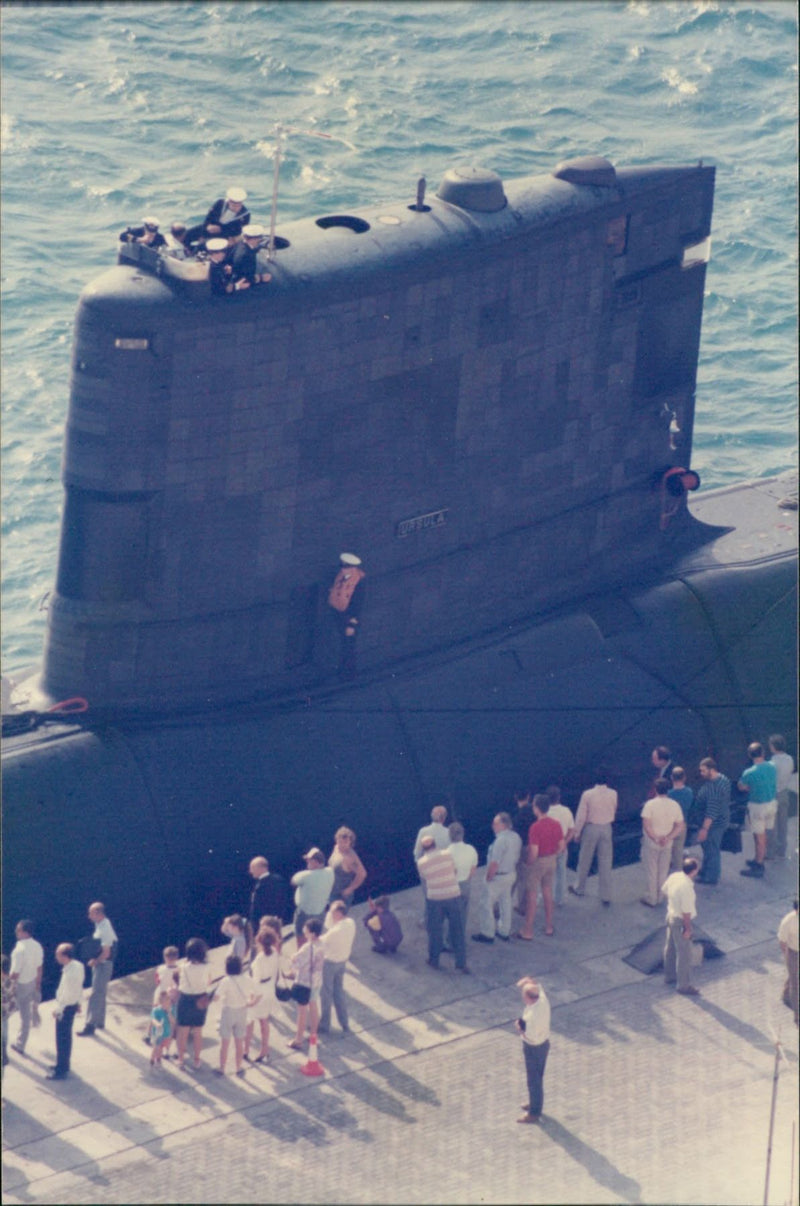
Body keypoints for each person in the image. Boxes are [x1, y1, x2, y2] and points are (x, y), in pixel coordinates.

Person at [417, 836, 469, 972]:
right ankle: (461, 963)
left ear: (423, 849)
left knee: (435, 931)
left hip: (435, 898)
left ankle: (434, 960)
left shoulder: (421, 862)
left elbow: (424, 877)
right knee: (458, 930)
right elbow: (455, 870)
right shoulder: (447, 854)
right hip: (453, 895)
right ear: (435, 844)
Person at [516, 795, 565, 939]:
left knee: (532, 895)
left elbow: (534, 852)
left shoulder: (535, 827)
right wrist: (552, 854)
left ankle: (528, 930)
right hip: (551, 860)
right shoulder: (556, 824)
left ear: (536, 808)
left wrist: (528, 862)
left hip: (538, 862)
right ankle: (549, 926)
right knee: (547, 892)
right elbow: (561, 846)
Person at [569, 769, 617, 905]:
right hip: (607, 827)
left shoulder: (587, 795)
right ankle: (606, 895)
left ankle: (579, 887)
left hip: (591, 828)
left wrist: (577, 832)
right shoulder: (614, 793)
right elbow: (614, 808)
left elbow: (581, 815)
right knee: (606, 861)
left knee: (585, 858)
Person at [472, 812, 522, 944]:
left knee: (485, 904)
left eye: (496, 823)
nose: (493, 825)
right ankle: (504, 931)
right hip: (511, 874)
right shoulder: (516, 837)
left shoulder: (500, 841)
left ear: (503, 825)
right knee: (505, 902)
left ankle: (487, 933)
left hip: (498, 877)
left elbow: (494, 863)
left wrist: (488, 877)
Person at [639, 778, 685, 907]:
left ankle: (651, 897)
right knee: (663, 870)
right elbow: (679, 825)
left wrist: (656, 838)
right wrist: (669, 838)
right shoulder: (675, 805)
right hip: (667, 843)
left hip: (652, 843)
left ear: (655, 789)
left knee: (651, 870)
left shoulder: (650, 805)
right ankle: (660, 896)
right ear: (668, 790)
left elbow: (647, 826)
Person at [661, 857, 701, 996]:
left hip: (670, 915)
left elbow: (664, 890)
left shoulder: (674, 877)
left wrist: (673, 902)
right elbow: (686, 913)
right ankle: (683, 985)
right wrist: (687, 929)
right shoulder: (687, 889)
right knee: (684, 953)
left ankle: (669, 976)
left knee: (670, 947)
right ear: (694, 871)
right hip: (679, 921)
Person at [738, 742, 778, 879]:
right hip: (771, 803)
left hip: (758, 807)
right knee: (761, 834)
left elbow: (742, 786)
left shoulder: (749, 772)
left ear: (750, 755)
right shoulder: (772, 766)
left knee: (759, 836)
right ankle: (757, 859)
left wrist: (750, 787)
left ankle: (759, 865)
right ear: (763, 752)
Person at [78, 901, 118, 1035]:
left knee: (96, 994)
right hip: (102, 962)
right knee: (101, 992)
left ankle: (90, 1025)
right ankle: (100, 1021)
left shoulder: (104, 928)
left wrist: (95, 961)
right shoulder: (100, 923)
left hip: (104, 964)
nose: (88, 916)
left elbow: (106, 952)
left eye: (91, 913)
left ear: (98, 913)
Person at [515, 977, 550, 1124]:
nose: (522, 997)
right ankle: (534, 1102)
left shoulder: (532, 1018)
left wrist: (519, 1028)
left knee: (533, 1080)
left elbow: (530, 1036)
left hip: (533, 1048)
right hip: (544, 1044)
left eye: (524, 995)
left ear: (529, 998)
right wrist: (528, 981)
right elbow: (538, 986)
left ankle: (534, 1113)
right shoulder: (542, 1000)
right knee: (537, 1077)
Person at [319, 900, 357, 1035]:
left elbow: (320, 942)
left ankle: (324, 1025)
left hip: (329, 963)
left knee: (326, 994)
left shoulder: (334, 932)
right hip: (342, 962)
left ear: (339, 913)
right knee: (339, 993)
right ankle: (344, 1023)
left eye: (332, 912)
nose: (330, 915)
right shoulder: (351, 923)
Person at [48, 943, 85, 1080]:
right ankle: (63, 1064)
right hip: (72, 1006)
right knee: (66, 1037)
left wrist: (57, 1010)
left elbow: (66, 995)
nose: (56, 956)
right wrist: (79, 1002)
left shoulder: (70, 973)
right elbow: (80, 986)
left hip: (66, 1008)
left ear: (64, 956)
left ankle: (61, 1069)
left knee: (62, 1039)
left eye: (58, 953)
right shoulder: (78, 966)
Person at [176, 937, 213, 1071]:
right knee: (198, 1031)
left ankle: (180, 1059)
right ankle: (197, 1059)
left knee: (183, 1031)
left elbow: (180, 983)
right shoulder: (208, 966)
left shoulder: (184, 967)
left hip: (186, 999)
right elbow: (209, 982)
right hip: (201, 999)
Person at [288, 918, 325, 1050]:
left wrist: (292, 958)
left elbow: (296, 964)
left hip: (304, 983)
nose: (304, 931)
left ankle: (298, 1039)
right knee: (313, 1005)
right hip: (316, 981)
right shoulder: (321, 944)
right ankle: (313, 1034)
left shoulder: (307, 948)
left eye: (306, 930)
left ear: (312, 933)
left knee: (302, 1011)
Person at [215, 955, 254, 1077]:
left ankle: (222, 1067)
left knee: (225, 1042)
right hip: (242, 1011)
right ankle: (239, 1067)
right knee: (239, 1041)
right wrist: (250, 1002)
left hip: (228, 1011)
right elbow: (256, 992)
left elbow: (216, 997)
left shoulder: (226, 981)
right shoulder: (247, 979)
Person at [328, 552, 365, 679]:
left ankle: (348, 672)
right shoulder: (342, 576)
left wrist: (351, 624)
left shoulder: (359, 582)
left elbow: (357, 604)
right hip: (339, 613)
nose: (343, 569)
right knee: (344, 644)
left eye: (346, 567)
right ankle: (344, 670)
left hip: (349, 617)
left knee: (348, 645)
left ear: (353, 567)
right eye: (343, 566)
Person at [694, 757, 731, 885]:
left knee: (711, 850)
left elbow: (711, 811)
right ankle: (706, 870)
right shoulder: (723, 779)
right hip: (721, 821)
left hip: (712, 826)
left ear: (712, 770)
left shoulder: (713, 788)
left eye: (703, 771)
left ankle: (710, 877)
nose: (701, 773)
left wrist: (704, 829)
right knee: (710, 849)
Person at [9, 918, 43, 1055]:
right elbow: (39, 967)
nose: (16, 931)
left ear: (25, 932)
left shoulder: (19, 950)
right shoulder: (37, 946)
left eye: (18, 929)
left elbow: (15, 973)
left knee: (9, 1011)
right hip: (32, 982)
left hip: (20, 985)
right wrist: (37, 985)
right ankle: (20, 1044)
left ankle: (19, 1045)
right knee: (25, 1015)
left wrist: (8, 988)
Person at [245, 926, 278, 1063]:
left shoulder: (259, 959)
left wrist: (252, 999)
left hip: (259, 991)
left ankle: (245, 1049)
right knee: (264, 1021)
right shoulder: (275, 952)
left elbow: (255, 981)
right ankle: (264, 1049)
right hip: (269, 989)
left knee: (250, 1021)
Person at [291, 848, 335, 944]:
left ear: (315, 862)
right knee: (315, 937)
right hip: (320, 912)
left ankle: (302, 956)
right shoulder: (331, 872)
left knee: (301, 935)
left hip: (304, 913)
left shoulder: (304, 876)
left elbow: (293, 882)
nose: (307, 862)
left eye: (308, 860)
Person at [185, 185, 251, 247]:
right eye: (233, 203)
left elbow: (239, 231)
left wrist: (221, 230)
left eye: (238, 204)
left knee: (203, 244)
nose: (235, 206)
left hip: (225, 235)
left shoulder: (245, 214)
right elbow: (208, 218)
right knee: (188, 234)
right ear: (229, 201)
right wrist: (207, 228)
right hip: (210, 228)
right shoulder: (220, 203)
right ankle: (186, 249)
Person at [546, 786, 575, 907]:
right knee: (561, 872)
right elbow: (572, 830)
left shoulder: (545, 813)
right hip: (561, 845)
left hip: (547, 848)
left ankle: (547, 896)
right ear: (559, 797)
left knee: (546, 874)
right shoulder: (566, 811)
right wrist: (565, 843)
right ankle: (560, 898)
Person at [447, 821, 478, 932]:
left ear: (449, 835)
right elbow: (473, 869)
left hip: (452, 887)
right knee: (463, 913)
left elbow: (450, 872)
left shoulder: (447, 853)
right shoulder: (471, 849)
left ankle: (451, 942)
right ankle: (460, 936)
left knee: (451, 915)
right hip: (466, 884)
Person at [768, 735, 794, 861]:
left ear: (774, 746)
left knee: (772, 825)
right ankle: (782, 850)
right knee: (783, 823)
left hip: (773, 794)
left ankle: (770, 852)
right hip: (784, 792)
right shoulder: (789, 759)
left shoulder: (772, 762)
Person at [328, 826, 367, 904]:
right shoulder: (336, 848)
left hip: (341, 895)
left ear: (350, 842)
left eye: (346, 842)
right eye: (340, 841)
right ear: (337, 839)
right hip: (332, 891)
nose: (342, 844)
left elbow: (362, 874)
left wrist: (350, 889)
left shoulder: (349, 857)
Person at [249, 856, 290, 929]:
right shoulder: (259, 883)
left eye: (252, 868)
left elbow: (281, 900)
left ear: (261, 868)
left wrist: (277, 918)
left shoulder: (276, 881)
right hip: (261, 924)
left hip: (270, 924)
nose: (250, 871)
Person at [511, 789, 534, 915]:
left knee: (513, 876)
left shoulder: (516, 816)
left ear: (516, 797)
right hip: (530, 846)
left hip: (519, 848)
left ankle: (501, 905)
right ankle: (523, 906)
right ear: (528, 796)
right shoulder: (533, 811)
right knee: (524, 877)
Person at [668, 767, 694, 871]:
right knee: (678, 852)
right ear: (684, 778)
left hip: (670, 825)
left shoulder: (669, 794)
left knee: (667, 850)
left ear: (671, 778)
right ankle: (678, 873)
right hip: (683, 824)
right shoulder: (689, 792)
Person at [777, 900, 798, 1026]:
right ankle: (797, 1015)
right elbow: (782, 941)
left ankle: (785, 993)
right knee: (796, 984)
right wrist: (787, 956)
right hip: (793, 952)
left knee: (793, 975)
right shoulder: (788, 921)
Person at [149, 991, 173, 1067]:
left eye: (168, 1000)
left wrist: (169, 1013)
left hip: (166, 1033)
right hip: (158, 1033)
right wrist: (158, 1024)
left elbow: (173, 1021)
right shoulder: (156, 1010)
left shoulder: (170, 1010)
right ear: (161, 1002)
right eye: (166, 1001)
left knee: (161, 1047)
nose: (168, 1003)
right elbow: (153, 1020)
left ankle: (159, 1058)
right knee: (156, 1047)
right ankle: (152, 1059)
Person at [2, 954, 16, 1067]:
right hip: (6, 1013)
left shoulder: (4, 984)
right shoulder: (11, 981)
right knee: (4, 1034)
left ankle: (3, 1056)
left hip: (3, 1012)